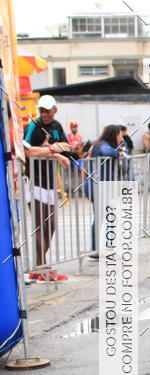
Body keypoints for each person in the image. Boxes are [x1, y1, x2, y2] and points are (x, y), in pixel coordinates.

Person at [22, 94, 75, 281]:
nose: (45, 115)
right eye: (42, 111)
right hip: (34, 181)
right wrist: (53, 150)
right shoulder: (32, 127)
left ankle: (40, 265)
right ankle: (41, 265)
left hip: (51, 181)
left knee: (50, 226)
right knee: (40, 225)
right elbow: (28, 151)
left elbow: (66, 146)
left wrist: (55, 152)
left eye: (48, 111)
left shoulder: (57, 126)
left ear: (55, 110)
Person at [88, 124, 124, 257]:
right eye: (119, 134)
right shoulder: (101, 145)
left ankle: (96, 249)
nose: (121, 137)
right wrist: (118, 152)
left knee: (101, 217)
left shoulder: (103, 143)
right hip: (95, 186)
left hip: (99, 187)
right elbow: (107, 152)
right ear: (114, 134)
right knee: (108, 216)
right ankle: (102, 248)